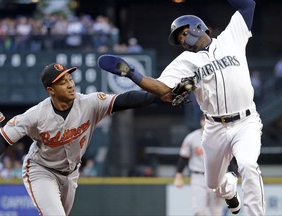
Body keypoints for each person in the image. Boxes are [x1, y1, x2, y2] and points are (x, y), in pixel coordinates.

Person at [98, 0, 265, 215]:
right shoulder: (185, 61)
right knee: (213, 183)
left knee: (249, 165)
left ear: (198, 27)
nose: (183, 40)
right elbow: (160, 88)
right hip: (213, 127)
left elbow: (247, 5)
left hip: (246, 121)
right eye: (179, 39)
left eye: (183, 33)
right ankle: (229, 188)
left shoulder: (231, 37)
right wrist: (132, 73)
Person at [0, 63, 164, 216]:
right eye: (62, 82)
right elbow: (2, 139)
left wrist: (159, 96)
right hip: (41, 170)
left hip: (71, 173)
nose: (70, 85)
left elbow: (125, 100)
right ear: (50, 90)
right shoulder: (35, 115)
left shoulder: (89, 103)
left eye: (70, 79)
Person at [173, 117, 223, 216]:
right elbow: (183, 157)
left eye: (208, 120)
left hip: (217, 177)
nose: (205, 122)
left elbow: (229, 158)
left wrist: (233, 173)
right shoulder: (192, 137)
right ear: (200, 121)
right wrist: (179, 175)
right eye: (204, 119)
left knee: (216, 212)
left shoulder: (220, 137)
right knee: (199, 211)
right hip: (198, 176)